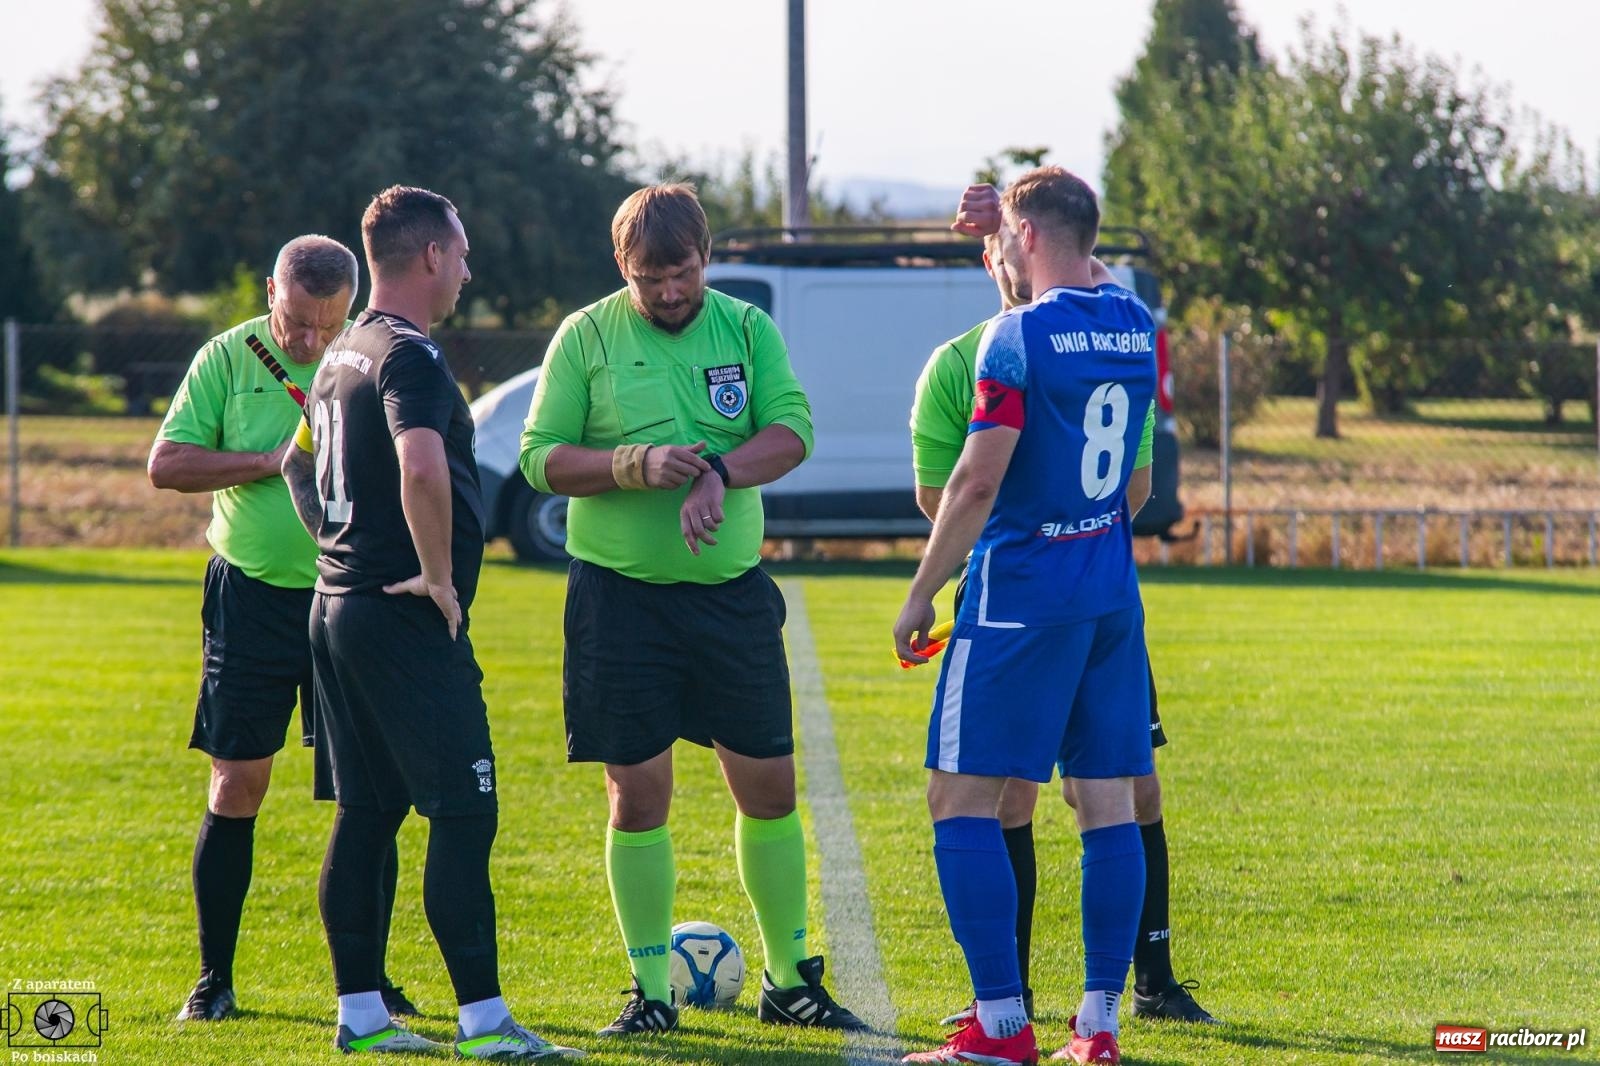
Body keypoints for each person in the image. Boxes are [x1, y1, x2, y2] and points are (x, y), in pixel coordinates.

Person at [519, 183, 866, 1038]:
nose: (669, 292)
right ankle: (651, 993)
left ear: (706, 259)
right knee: (636, 798)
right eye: (650, 277)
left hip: (730, 602)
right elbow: (538, 459)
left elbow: (791, 431)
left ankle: (789, 981)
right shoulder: (587, 335)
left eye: (682, 273)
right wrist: (632, 464)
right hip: (618, 602)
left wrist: (717, 469)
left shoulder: (746, 328)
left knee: (770, 790)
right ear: (622, 268)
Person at [281, 185, 581, 1058]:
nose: (469, 268)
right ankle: (486, 1026)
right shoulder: (409, 354)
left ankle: (363, 1019)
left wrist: (337, 549)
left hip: (336, 609)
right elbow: (420, 465)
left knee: (368, 812)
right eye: (462, 251)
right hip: (399, 616)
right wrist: (440, 578)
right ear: (431, 257)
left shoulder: (344, 350)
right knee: (464, 812)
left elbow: (294, 466)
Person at [910, 184, 1218, 1028]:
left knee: (959, 801)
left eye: (1009, 237)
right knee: (1109, 801)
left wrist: (921, 592)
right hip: (1110, 594)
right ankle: (1100, 1023)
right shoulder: (1129, 319)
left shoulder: (1010, 339)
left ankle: (1002, 1027)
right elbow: (1090, 267)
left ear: (1028, 234)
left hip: (1022, 598)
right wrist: (1020, 231)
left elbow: (973, 483)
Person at [149, 235, 418, 1024]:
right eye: (297, 322)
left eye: (325, 325)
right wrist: (267, 460)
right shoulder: (227, 359)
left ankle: (372, 981)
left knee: (369, 795)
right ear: (274, 290)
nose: (308, 342)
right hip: (254, 597)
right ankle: (214, 978)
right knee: (238, 782)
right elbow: (166, 463)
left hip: (352, 598)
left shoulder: (372, 358)